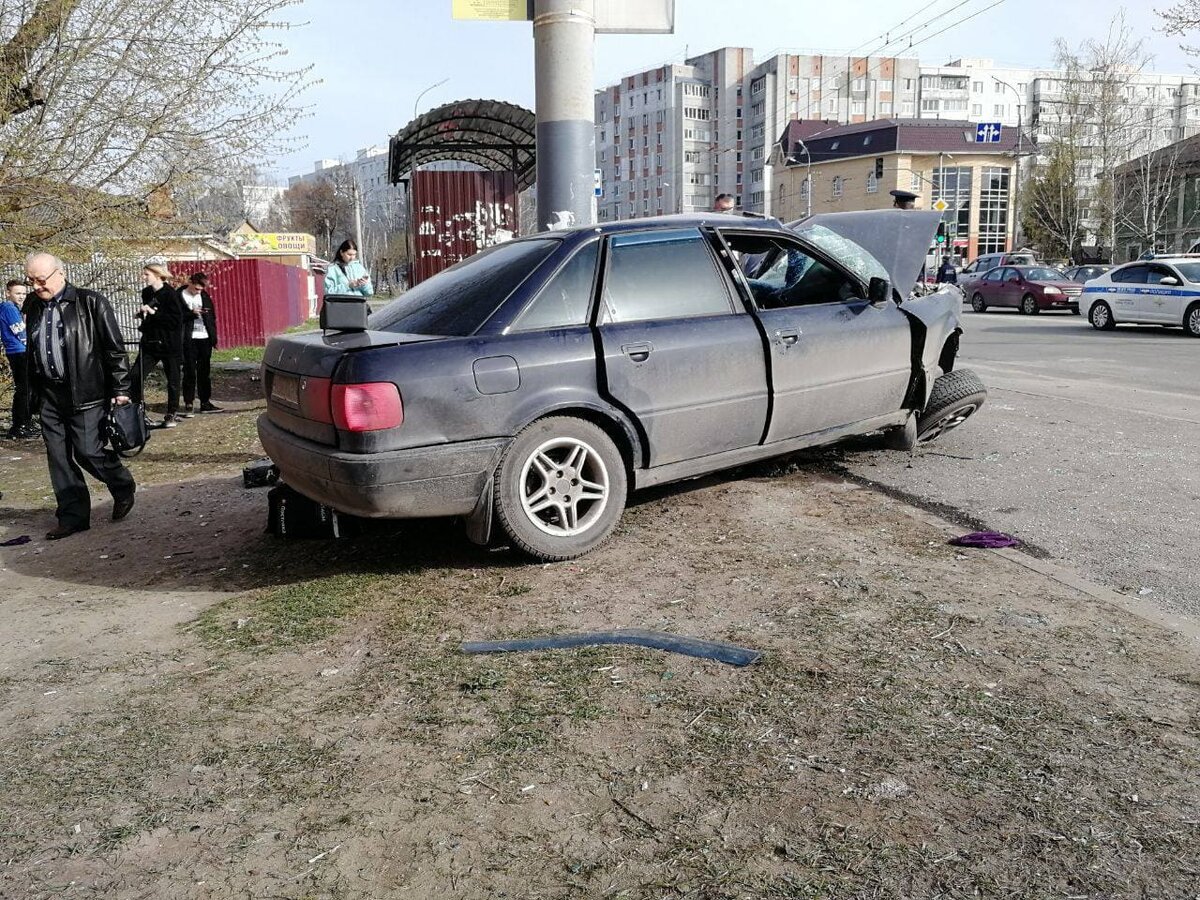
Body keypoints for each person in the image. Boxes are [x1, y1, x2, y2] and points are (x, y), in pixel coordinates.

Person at [23, 252, 136, 540]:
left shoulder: (90, 302)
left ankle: (121, 484)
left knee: (89, 451)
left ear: (60, 273)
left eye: (40, 280)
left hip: (86, 393)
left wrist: (121, 389)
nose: (36, 286)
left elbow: (114, 349)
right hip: (49, 394)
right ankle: (72, 516)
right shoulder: (33, 306)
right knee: (58, 457)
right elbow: (32, 351)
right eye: (31, 280)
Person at [130, 263, 185, 427]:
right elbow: (151, 318)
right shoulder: (146, 293)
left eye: (147, 274)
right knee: (135, 375)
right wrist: (142, 314)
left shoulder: (170, 294)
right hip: (150, 342)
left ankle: (171, 413)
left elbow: (175, 321)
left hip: (169, 344)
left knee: (173, 379)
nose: (143, 277)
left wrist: (154, 313)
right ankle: (139, 413)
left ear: (158, 275)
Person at [179, 272, 221, 415]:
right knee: (189, 371)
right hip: (188, 339)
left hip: (204, 337)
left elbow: (212, 317)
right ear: (189, 282)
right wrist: (191, 313)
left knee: (204, 371)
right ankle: (189, 403)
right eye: (196, 288)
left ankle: (205, 402)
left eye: (201, 289)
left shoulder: (204, 296)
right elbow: (175, 316)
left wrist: (213, 337)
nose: (198, 291)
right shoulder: (179, 296)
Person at [2, 279, 35, 439]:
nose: (22, 296)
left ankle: (24, 423)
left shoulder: (14, 308)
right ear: (8, 293)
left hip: (19, 351)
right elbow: (20, 331)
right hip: (19, 351)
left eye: (23, 293)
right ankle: (19, 425)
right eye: (18, 293)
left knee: (27, 389)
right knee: (24, 389)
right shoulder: (8, 307)